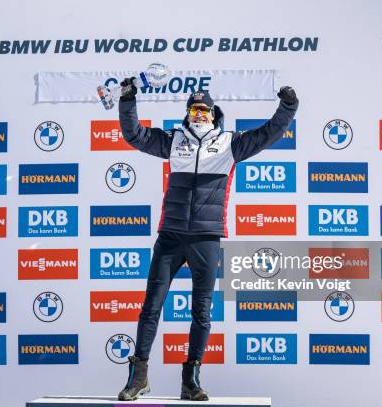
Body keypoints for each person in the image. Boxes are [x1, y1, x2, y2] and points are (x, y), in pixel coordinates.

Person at [116, 78, 298, 401]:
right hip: (170, 236)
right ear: (187, 114)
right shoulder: (174, 140)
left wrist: (287, 107)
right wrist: (128, 100)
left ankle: (191, 380)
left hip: (206, 238)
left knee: (201, 311)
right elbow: (135, 135)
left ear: (214, 114)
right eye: (193, 109)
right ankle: (138, 377)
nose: (199, 114)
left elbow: (268, 133)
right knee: (151, 307)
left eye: (204, 109)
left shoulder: (230, 143)